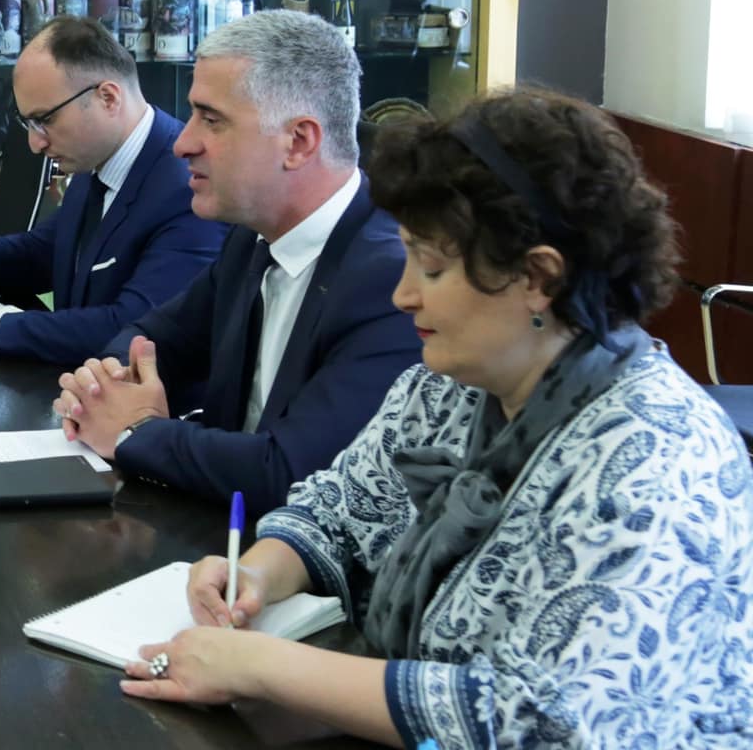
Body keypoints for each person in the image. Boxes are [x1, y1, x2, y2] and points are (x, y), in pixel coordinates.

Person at [120, 88, 753, 747]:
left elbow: (543, 721)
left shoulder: (657, 458)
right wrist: (257, 573)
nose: (403, 294)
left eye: (433, 267)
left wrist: (262, 666)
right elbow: (338, 509)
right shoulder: (454, 384)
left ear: (539, 278)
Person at [54, 10, 421, 510]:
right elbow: (150, 339)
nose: (183, 143)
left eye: (212, 120)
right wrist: (107, 387)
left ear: (298, 142)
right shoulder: (251, 238)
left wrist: (134, 431)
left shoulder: (393, 280)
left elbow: (293, 473)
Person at [0, 16, 224, 361]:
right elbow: (47, 251)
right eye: (28, 123)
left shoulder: (188, 187)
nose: (35, 143)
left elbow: (137, 330)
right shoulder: (95, 157)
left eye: (46, 120)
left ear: (108, 98)